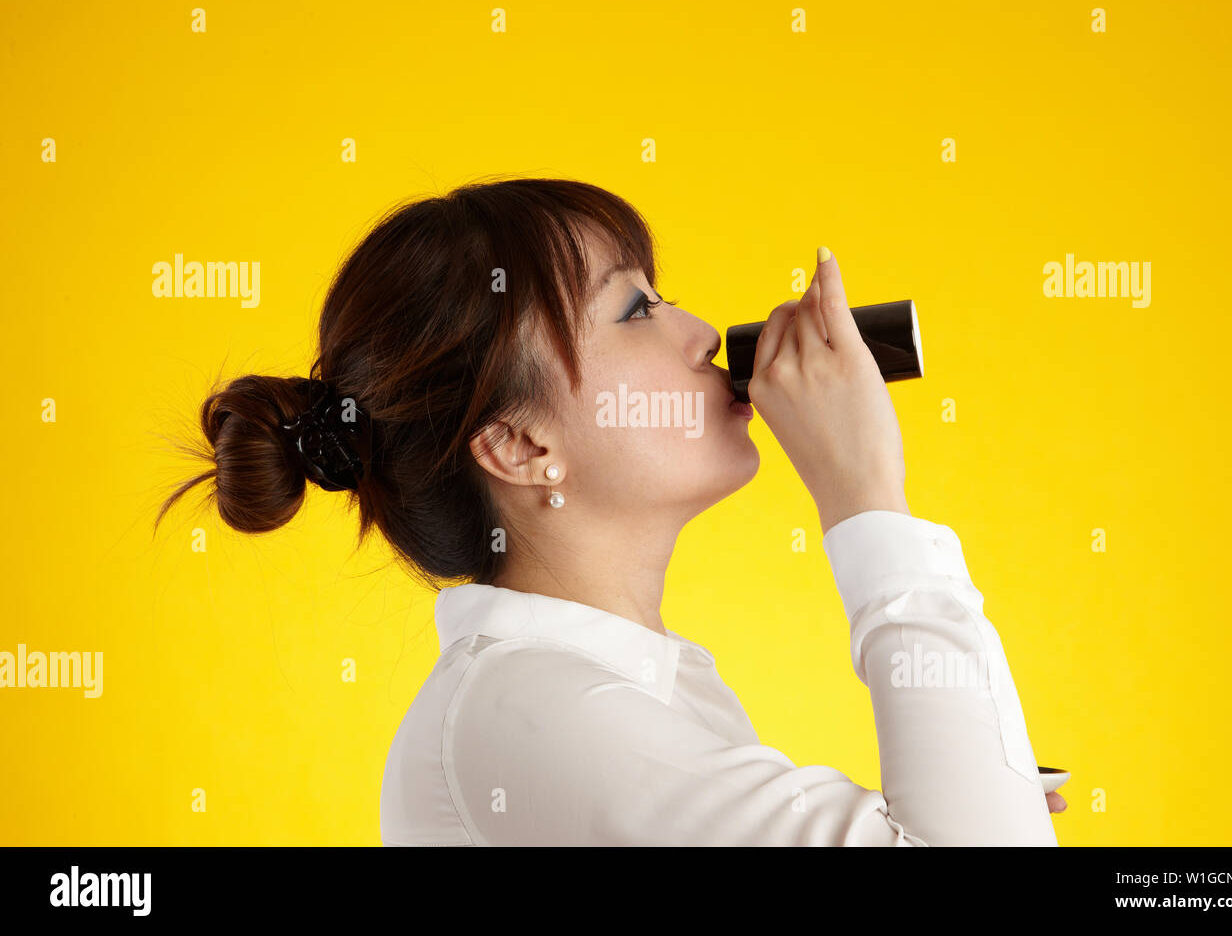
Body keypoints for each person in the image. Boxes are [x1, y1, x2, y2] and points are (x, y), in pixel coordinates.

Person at [157, 176, 1065, 845]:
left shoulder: (618, 695)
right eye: (637, 308)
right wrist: (866, 499)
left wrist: (977, 792)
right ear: (519, 445)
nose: (705, 331)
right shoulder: (536, 712)